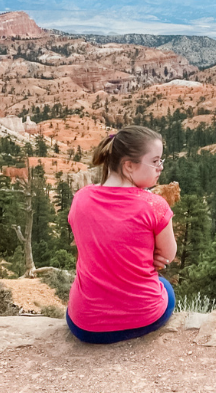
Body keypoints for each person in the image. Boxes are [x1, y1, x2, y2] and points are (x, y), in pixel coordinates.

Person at [66, 126, 177, 344]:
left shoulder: (80, 199)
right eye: (155, 161)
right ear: (128, 166)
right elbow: (169, 255)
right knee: (166, 288)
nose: (160, 167)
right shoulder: (154, 205)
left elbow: (94, 244)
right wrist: (147, 253)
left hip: (84, 325)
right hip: (144, 317)